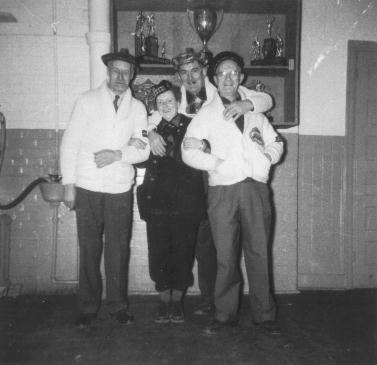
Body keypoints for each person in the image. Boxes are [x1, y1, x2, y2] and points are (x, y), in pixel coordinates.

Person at [147, 48, 273, 315]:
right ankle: (214, 301)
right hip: (191, 173)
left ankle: (210, 300)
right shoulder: (176, 99)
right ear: (178, 76)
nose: (190, 76)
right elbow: (154, 116)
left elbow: (264, 100)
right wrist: (149, 132)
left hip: (223, 173)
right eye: (184, 72)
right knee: (201, 237)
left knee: (212, 242)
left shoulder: (223, 90)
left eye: (195, 70)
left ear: (205, 72)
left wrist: (245, 104)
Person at [182, 51, 284, 335]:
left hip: (255, 189)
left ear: (241, 77)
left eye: (233, 73)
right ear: (214, 79)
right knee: (225, 255)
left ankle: (265, 316)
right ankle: (225, 315)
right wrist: (216, 164)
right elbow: (187, 151)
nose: (228, 78)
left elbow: (276, 142)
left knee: (259, 252)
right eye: (222, 74)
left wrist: (267, 157)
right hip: (223, 191)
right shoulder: (206, 113)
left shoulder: (255, 110)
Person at [60, 49, 150, 328]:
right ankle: (87, 308)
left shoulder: (137, 108)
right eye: (116, 71)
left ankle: (118, 306)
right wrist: (68, 184)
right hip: (87, 186)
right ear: (108, 72)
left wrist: (117, 155)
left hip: (120, 188)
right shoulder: (86, 101)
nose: (121, 77)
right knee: (88, 248)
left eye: (127, 72)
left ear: (133, 75)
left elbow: (143, 148)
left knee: (118, 250)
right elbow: (70, 143)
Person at [137, 80, 206, 323]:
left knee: (183, 254)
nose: (165, 105)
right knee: (158, 253)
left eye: (169, 101)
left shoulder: (194, 125)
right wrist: (149, 133)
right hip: (156, 203)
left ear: (178, 102)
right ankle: (163, 301)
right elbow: (137, 157)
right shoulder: (150, 129)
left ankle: (177, 303)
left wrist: (204, 145)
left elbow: (209, 148)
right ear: (155, 107)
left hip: (186, 204)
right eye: (160, 102)